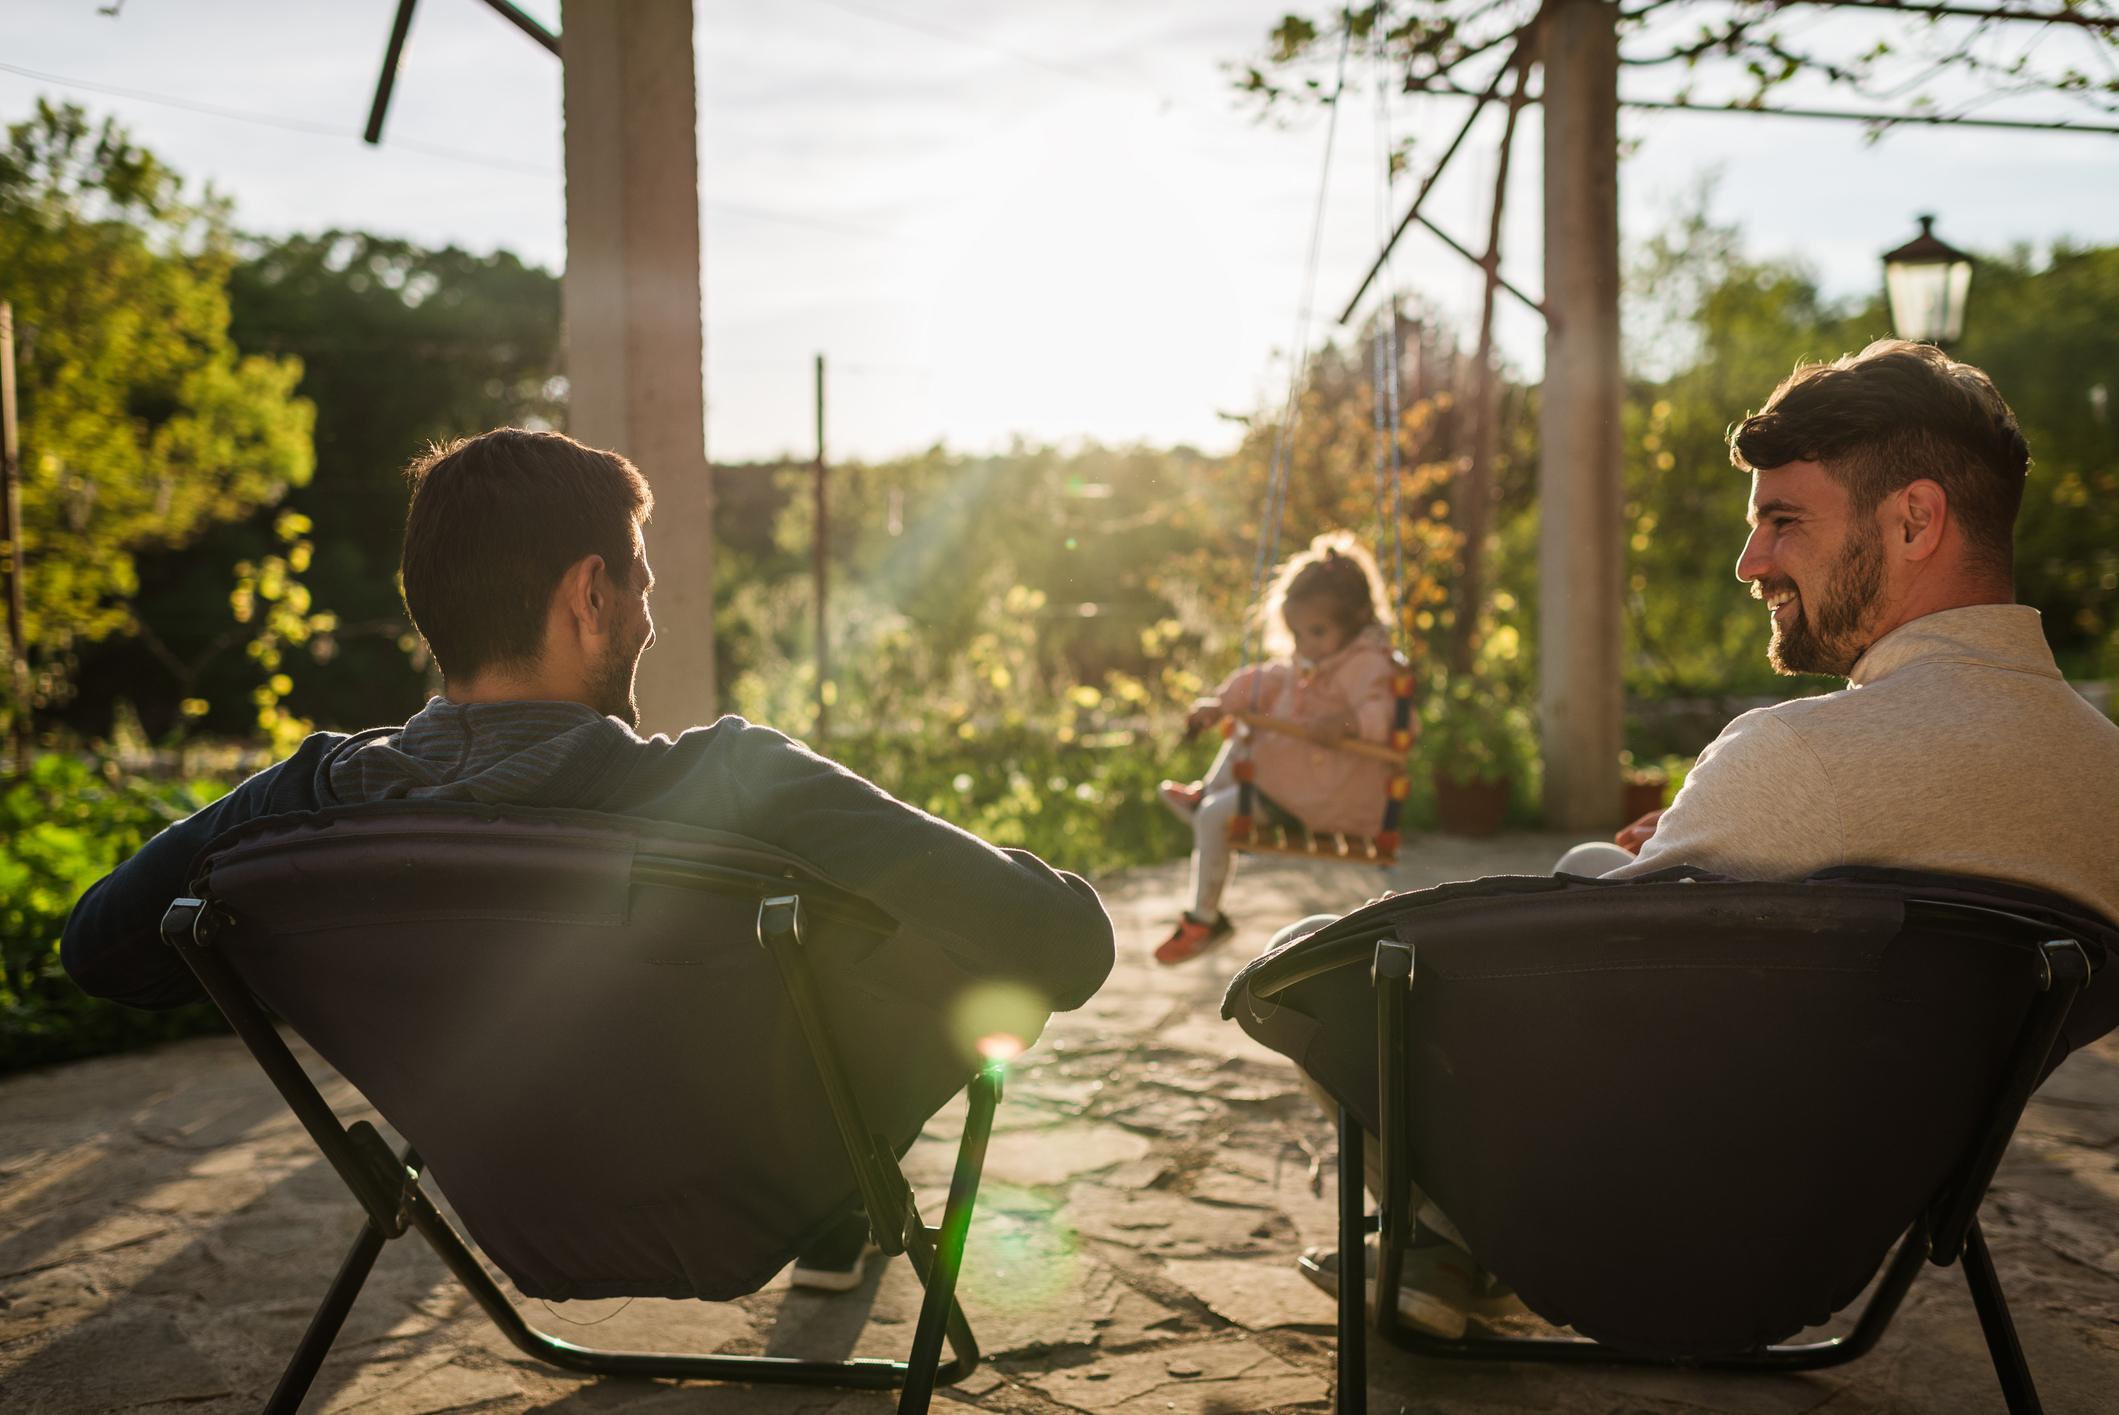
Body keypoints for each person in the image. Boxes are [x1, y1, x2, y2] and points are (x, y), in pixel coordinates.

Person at [61, 427, 1117, 1292]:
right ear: (590, 595)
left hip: (523, 1216)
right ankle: (851, 1196)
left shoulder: (310, 800)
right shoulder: (735, 785)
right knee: (967, 963)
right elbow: (1067, 944)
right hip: (744, 1196)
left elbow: (103, 949)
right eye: (643, 583)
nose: (652, 614)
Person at [1293, 339, 2119, 1338]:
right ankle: (1433, 1255)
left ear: (1914, 519)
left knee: (1371, 960)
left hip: (1639, 1237)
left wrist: (1665, 852)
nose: (1748, 561)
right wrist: (1681, 854)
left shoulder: (1793, 755)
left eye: (1781, 520)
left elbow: (1615, 983)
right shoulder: (2104, 776)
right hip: (1827, 1240)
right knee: (1611, 871)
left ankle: (1433, 1244)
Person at [1153, 531, 1403, 966]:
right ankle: (1206, 794)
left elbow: (1384, 712)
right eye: (1297, 634)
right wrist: (1220, 703)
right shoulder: (1315, 658)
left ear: (1359, 616)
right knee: (1246, 727)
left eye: (1316, 631)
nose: (1304, 645)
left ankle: (1203, 920)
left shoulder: (1368, 664)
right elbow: (1266, 680)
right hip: (1297, 784)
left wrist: (1345, 723)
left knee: (1216, 816)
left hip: (1329, 797)